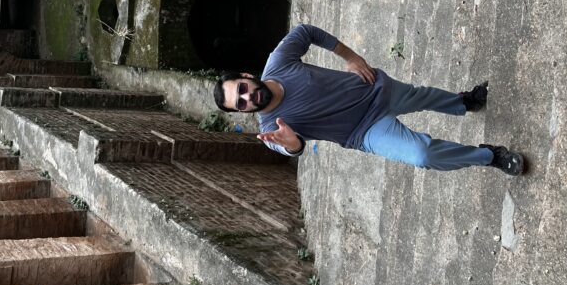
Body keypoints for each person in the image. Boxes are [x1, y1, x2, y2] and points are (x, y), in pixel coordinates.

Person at [212, 23, 525, 175]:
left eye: (241, 89)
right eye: (240, 103)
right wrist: (292, 143)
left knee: (423, 96)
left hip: (374, 89)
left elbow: (306, 32)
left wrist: (350, 57)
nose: (247, 97)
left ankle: (463, 103)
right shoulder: (271, 129)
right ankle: (489, 156)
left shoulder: (278, 62)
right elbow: (290, 148)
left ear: (245, 76)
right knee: (422, 155)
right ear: (243, 111)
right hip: (364, 131)